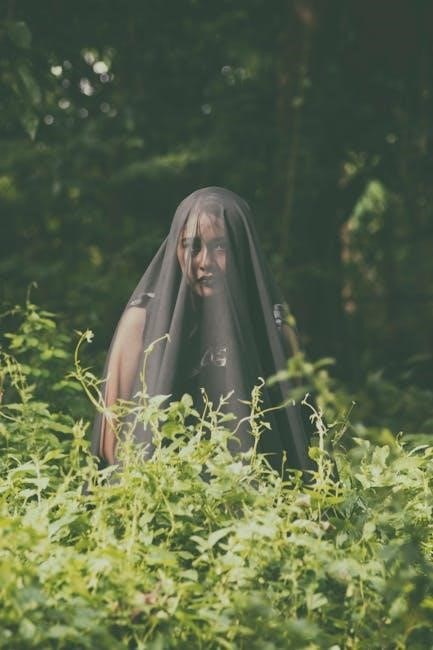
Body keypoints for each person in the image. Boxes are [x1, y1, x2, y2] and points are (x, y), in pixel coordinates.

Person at [91, 186, 315, 475]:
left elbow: (302, 444)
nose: (204, 262)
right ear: (175, 249)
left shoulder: (274, 332)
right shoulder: (141, 323)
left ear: (241, 249)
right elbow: (111, 446)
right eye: (191, 246)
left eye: (220, 246)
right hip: (155, 492)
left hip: (256, 498)